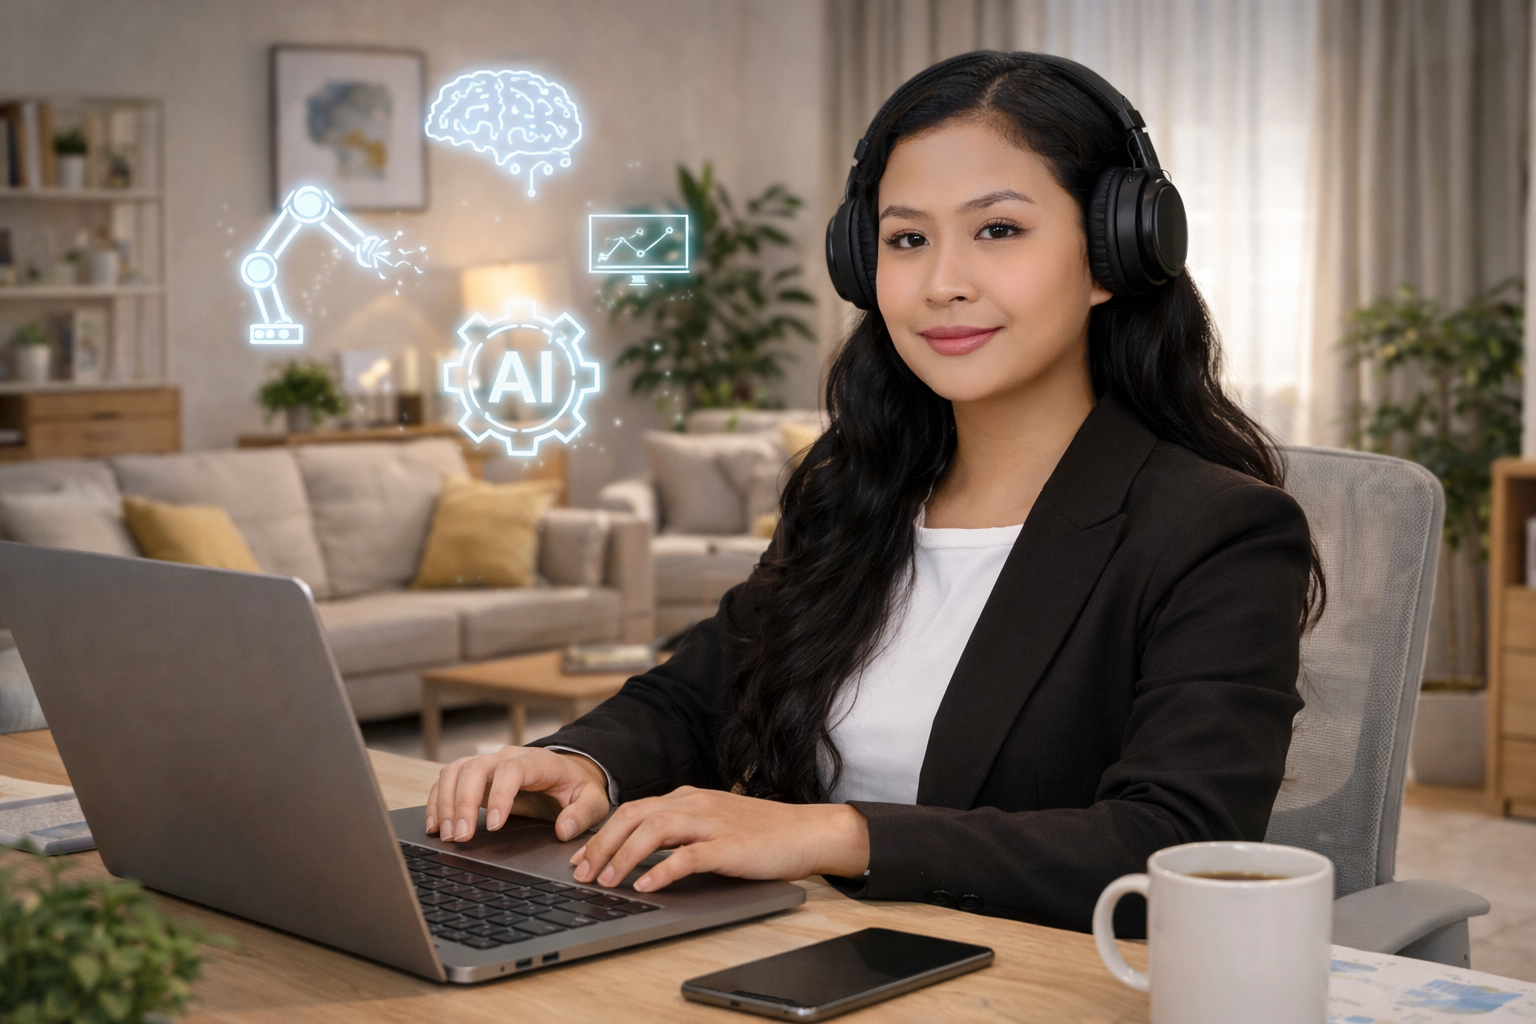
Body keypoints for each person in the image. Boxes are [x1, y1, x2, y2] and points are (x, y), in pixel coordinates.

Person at [425, 51, 1324, 935]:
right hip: (798, 955)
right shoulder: (856, 492)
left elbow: (1175, 843)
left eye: (999, 230)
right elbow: (699, 693)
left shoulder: (1220, 532)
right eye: (906, 239)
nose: (943, 284)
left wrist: (834, 833)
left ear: (1111, 255)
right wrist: (582, 763)